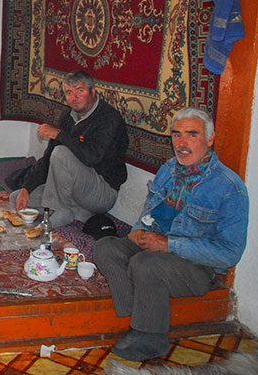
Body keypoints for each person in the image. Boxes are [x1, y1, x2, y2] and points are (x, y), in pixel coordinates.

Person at [93, 107, 249, 362]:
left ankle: (151, 336)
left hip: (196, 268)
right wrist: (138, 231)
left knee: (145, 263)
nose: (182, 143)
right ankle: (136, 313)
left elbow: (229, 254)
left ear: (210, 139)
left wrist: (170, 245)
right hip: (158, 249)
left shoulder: (229, 188)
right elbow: (148, 214)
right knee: (106, 247)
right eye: (176, 135)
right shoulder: (169, 169)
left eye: (191, 135)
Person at [13, 69, 129, 228]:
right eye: (69, 93)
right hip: (74, 191)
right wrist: (27, 187)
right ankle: (78, 211)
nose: (74, 98)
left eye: (80, 91)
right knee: (17, 198)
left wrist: (60, 134)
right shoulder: (68, 117)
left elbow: (91, 157)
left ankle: (61, 210)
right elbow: (47, 159)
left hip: (102, 191)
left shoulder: (109, 119)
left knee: (61, 153)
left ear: (92, 91)